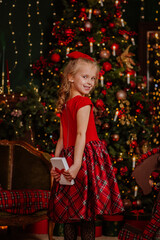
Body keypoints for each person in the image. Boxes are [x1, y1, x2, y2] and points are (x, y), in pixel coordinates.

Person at [48, 51, 124, 240]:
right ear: (71, 77)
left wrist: (62, 162)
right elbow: (68, 137)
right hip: (83, 158)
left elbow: (68, 139)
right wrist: (63, 165)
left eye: (93, 78)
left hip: (75, 159)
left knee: (72, 213)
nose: (90, 82)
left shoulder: (70, 103)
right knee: (83, 213)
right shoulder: (81, 102)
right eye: (85, 77)